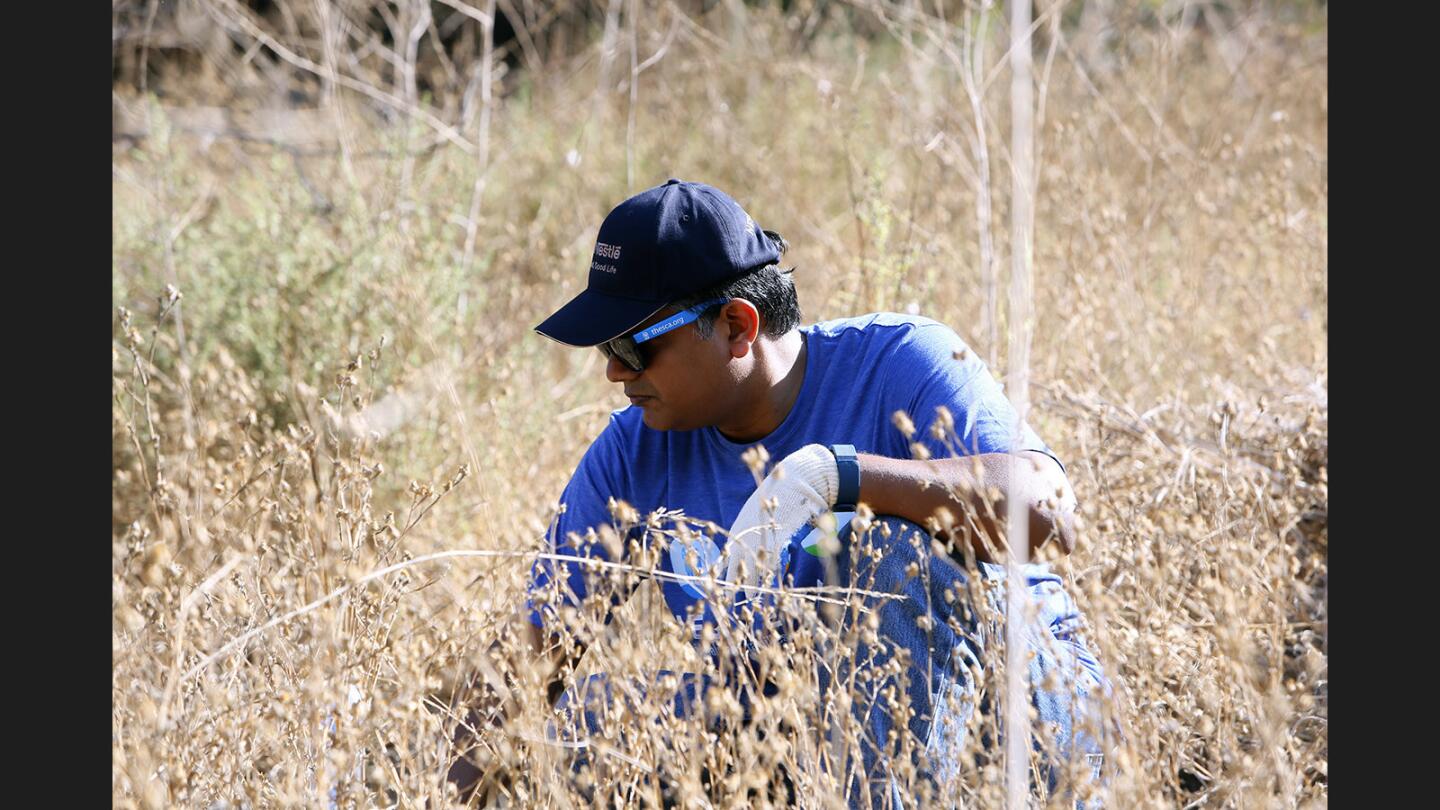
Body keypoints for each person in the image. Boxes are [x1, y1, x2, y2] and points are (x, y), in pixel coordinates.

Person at [447, 179, 1110, 807]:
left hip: (1022, 738)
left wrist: (838, 477)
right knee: (596, 723)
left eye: (631, 345)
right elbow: (526, 668)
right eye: (606, 349)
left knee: (879, 552)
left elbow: (1050, 515)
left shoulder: (903, 359)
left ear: (737, 326)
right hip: (813, 744)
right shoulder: (634, 451)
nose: (615, 372)